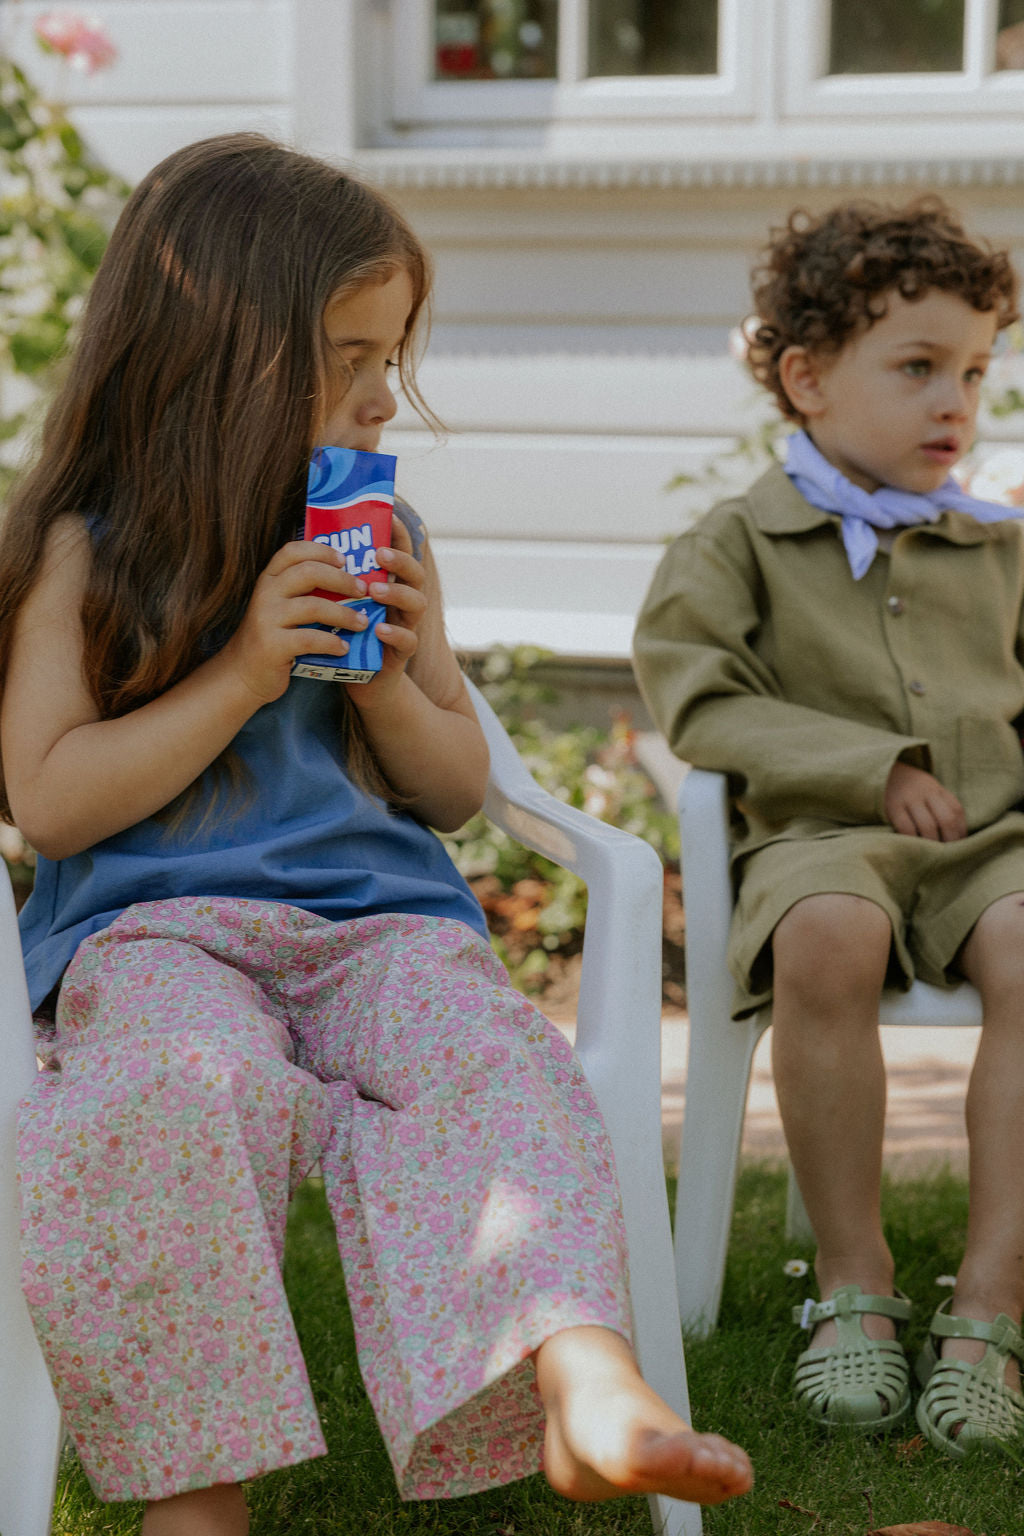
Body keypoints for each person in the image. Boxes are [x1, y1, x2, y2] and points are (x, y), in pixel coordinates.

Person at [0, 134, 752, 1535]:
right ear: (208, 357)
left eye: (391, 354)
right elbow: (47, 798)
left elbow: (457, 788)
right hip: (160, 937)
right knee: (163, 1100)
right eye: (347, 355)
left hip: (379, 933)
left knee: (494, 1063)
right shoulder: (86, 549)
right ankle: (194, 1491)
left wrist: (394, 684)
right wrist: (243, 674)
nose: (381, 392)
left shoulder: (385, 533)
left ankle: (585, 1380)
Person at [634, 198, 1024, 1456]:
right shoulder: (735, 542)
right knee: (827, 936)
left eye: (975, 371)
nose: (954, 402)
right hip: (821, 839)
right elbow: (697, 696)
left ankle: (991, 1299)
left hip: (991, 847)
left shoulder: (1000, 546)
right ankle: (854, 1280)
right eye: (917, 368)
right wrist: (869, 767)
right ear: (806, 379)